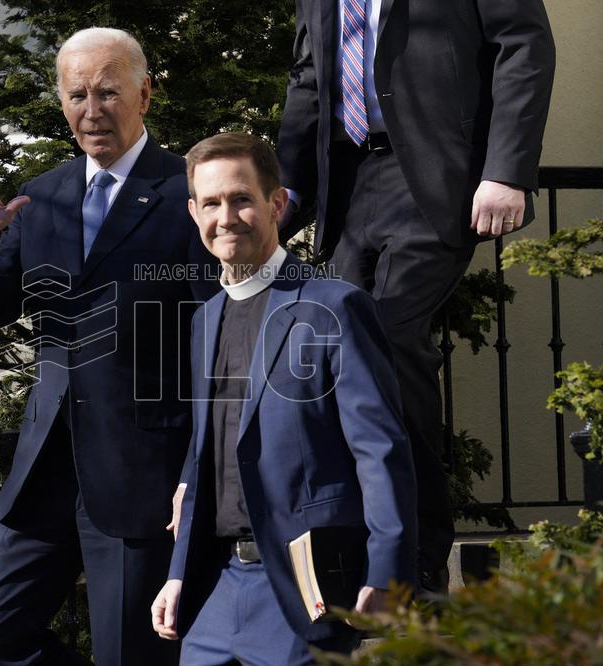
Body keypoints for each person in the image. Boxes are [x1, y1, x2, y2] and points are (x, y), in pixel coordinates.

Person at [0, 27, 217, 666]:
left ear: (145, 94)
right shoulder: (41, 197)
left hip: (140, 473)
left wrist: (195, 471)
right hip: (44, 469)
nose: (92, 111)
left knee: (131, 655)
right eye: (77, 96)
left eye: (108, 93)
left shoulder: (191, 194)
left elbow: (218, 342)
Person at [277, 0, 556, 590]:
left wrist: (506, 170)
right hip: (348, 183)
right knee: (344, 361)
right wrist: (287, 191)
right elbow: (309, 77)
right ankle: (362, 547)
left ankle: (418, 556)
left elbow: (523, 46)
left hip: (435, 177)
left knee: (390, 335)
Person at [151, 132, 417, 663]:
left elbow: (380, 450)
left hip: (305, 589)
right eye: (210, 203)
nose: (225, 217)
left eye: (241, 199)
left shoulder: (334, 308)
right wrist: (179, 572)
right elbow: (205, 459)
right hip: (215, 591)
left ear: (275, 203)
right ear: (193, 212)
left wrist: (388, 571)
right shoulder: (205, 321)